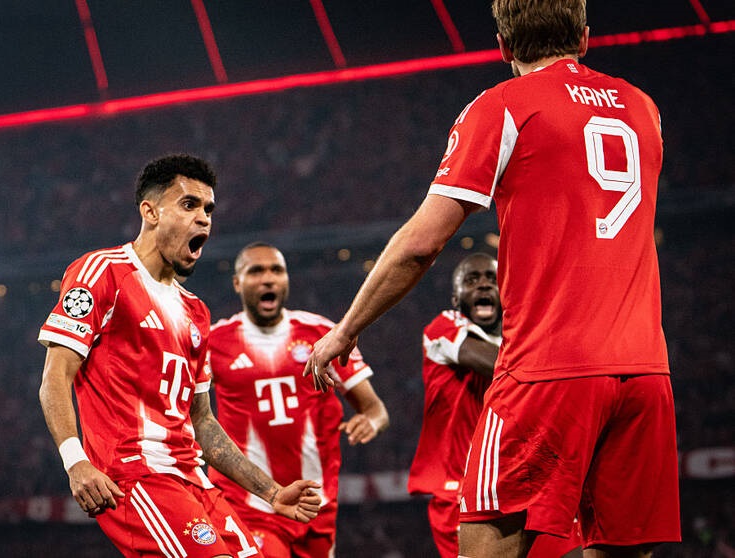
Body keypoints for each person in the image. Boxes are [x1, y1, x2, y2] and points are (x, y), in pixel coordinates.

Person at [304, 0, 680, 556]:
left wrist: (346, 330)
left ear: (502, 46)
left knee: (485, 545)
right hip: (647, 372)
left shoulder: (503, 106)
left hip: (546, 370)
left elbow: (421, 244)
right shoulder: (644, 108)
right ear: (584, 38)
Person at [38, 154, 321, 558]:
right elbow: (55, 376)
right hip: (136, 475)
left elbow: (202, 421)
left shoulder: (196, 311)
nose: (203, 218)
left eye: (208, 209)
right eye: (189, 204)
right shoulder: (102, 272)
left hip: (193, 479)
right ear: (150, 212)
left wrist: (272, 493)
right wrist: (75, 461)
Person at [207, 242, 389, 557]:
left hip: (316, 504)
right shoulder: (214, 342)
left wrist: (370, 422)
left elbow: (376, 409)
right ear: (237, 282)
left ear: (286, 279)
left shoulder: (323, 333)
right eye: (256, 271)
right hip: (249, 503)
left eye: (276, 270)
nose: (268, 279)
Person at [409, 253, 582, 558]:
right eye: (472, 280)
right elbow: (496, 364)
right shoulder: (444, 326)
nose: (484, 285)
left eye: (492, 279)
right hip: (461, 490)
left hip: (520, 481)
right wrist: (553, 360)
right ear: (456, 298)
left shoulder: (521, 338)